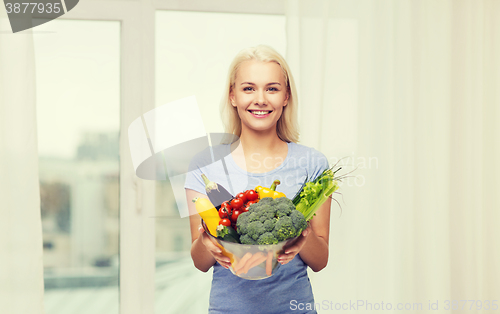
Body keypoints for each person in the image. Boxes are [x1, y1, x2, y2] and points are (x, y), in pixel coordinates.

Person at [185, 45, 331, 314]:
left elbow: (320, 260)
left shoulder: (313, 164)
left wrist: (301, 234)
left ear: (286, 96)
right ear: (232, 95)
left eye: (272, 89)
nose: (260, 99)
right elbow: (200, 262)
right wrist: (208, 241)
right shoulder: (205, 166)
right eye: (249, 88)